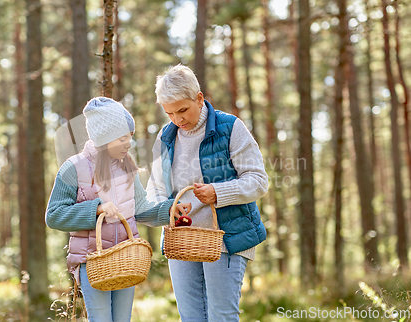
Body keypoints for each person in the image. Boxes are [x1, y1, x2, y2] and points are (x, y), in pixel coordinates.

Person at [45, 97, 190, 322]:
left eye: (130, 137)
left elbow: (140, 209)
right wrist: (96, 209)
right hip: (92, 260)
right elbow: (54, 216)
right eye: (122, 138)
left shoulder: (127, 168)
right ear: (105, 138)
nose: (128, 144)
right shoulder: (73, 168)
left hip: (125, 258)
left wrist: (170, 210)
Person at [146, 64, 269, 322]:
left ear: (199, 98)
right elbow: (155, 188)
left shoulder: (230, 127)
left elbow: (258, 181)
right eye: (169, 113)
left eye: (183, 110)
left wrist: (218, 192)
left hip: (226, 238)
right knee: (190, 318)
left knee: (220, 317)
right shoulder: (165, 137)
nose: (178, 120)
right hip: (181, 240)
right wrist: (167, 207)